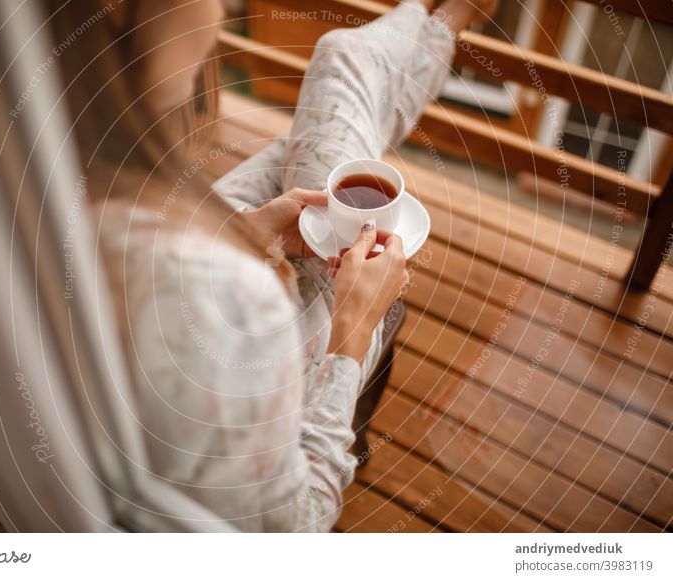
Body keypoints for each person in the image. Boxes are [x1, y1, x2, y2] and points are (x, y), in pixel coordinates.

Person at [47, 0, 498, 531]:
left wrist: (244, 233)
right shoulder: (227, 294)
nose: (222, 7)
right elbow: (296, 528)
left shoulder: (32, 203)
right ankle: (440, 20)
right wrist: (351, 336)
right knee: (340, 63)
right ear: (119, 12)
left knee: (308, 142)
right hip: (253, 352)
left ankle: (436, 20)